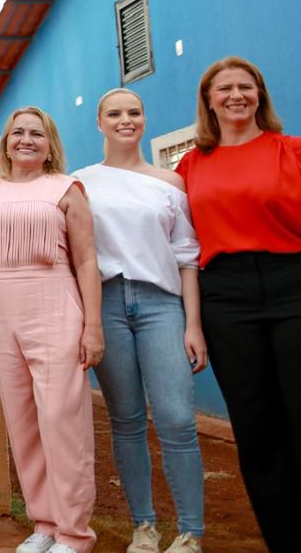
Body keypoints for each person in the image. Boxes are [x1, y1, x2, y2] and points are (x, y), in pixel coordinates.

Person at [0, 106, 102, 553]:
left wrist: (92, 326)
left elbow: (86, 261)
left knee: (61, 421)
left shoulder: (66, 188)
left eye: (36, 133)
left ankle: (75, 533)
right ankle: (44, 523)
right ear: (4, 142)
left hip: (55, 302)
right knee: (22, 422)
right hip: (0, 308)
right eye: (17, 132)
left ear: (49, 144)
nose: (25, 139)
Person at [175, 56, 301, 551]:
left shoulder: (290, 151)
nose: (235, 95)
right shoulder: (190, 165)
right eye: (223, 88)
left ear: (260, 95)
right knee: (255, 426)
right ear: (209, 100)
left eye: (245, 87)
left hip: (293, 282)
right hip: (225, 297)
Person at [73, 89, 205, 553]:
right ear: (100, 123)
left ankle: (190, 533)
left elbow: (187, 256)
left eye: (133, 112)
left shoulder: (171, 183)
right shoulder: (81, 182)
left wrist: (193, 325)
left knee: (175, 418)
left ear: (144, 119)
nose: (125, 120)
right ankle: (143, 528)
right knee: (126, 420)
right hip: (105, 303)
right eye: (115, 113)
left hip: (161, 305)